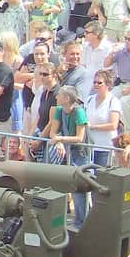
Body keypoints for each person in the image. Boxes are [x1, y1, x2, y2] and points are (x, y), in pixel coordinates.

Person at [46, 85, 91, 227]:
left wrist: (61, 139)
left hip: (80, 153)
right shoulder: (59, 110)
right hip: (67, 151)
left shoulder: (78, 112)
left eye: (59, 95)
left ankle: (82, 221)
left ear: (67, 98)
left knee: (79, 188)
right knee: (62, 184)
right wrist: (58, 141)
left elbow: (79, 137)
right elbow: (53, 132)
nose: (56, 97)